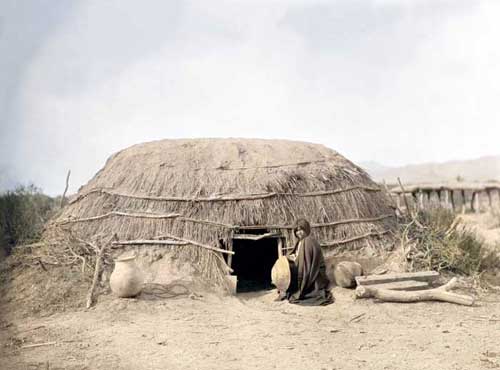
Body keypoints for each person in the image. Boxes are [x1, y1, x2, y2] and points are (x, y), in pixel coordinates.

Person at [284, 218, 334, 305]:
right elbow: (300, 257)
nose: (299, 233)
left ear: (306, 229)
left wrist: (296, 260)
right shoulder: (300, 242)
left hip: (314, 274)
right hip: (308, 270)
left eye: (301, 230)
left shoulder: (308, 241)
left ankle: (304, 287)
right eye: (297, 231)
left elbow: (307, 262)